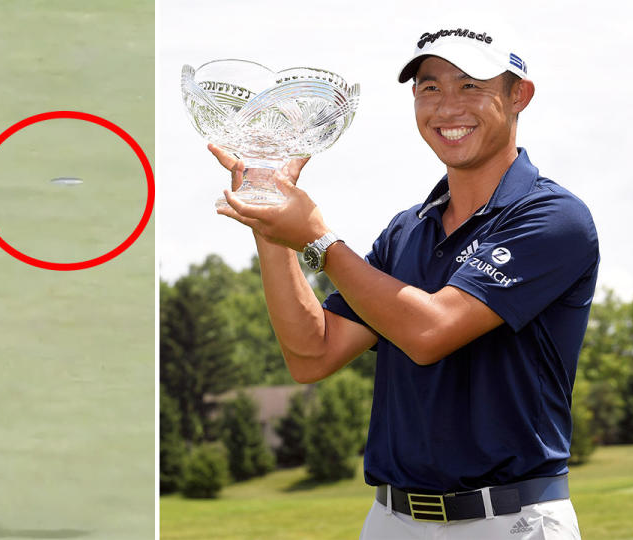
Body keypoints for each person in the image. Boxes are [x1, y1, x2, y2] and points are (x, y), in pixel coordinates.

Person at [213, 27, 595, 539]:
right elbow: (312, 354)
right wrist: (268, 218)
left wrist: (319, 242)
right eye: (429, 88)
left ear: (519, 95)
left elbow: (430, 333)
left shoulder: (553, 217)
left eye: (471, 85)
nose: (447, 107)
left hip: (511, 520)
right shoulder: (405, 232)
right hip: (391, 521)